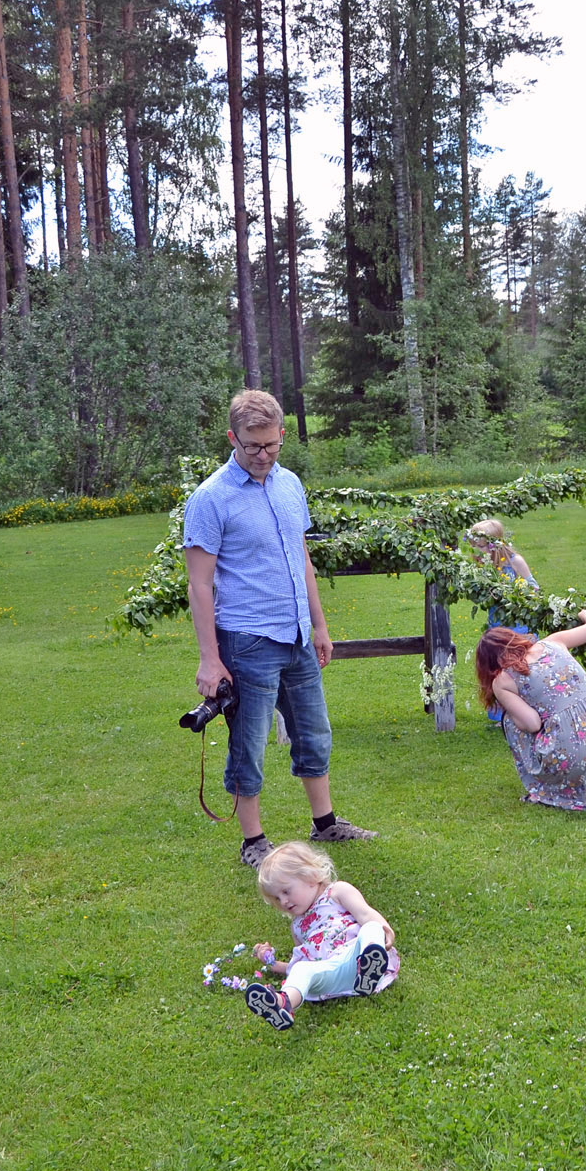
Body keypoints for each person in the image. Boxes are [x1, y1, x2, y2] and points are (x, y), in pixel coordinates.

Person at [184, 390, 376, 871]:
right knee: (248, 742)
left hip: (296, 637)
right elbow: (199, 584)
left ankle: (325, 822)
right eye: (253, 447)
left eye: (272, 445)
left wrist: (319, 624)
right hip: (247, 640)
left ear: (282, 436)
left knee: (315, 734)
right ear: (232, 438)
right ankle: (254, 841)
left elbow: (302, 559)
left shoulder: (290, 484)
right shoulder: (210, 499)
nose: (264, 455)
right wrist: (210, 659)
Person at [475, 608, 586, 812]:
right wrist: (584, 613)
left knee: (511, 719)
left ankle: (552, 785)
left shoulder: (502, 680)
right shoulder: (552, 642)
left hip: (576, 756)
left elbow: (532, 724)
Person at [242, 842, 397, 1031]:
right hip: (328, 972)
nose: (283, 901)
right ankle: (282, 1002)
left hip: (355, 956)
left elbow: (365, 914)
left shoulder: (337, 891)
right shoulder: (297, 925)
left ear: (310, 876)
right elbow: (298, 964)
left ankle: (371, 964)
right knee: (302, 969)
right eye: (276, 898)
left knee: (371, 927)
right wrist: (272, 963)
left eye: (286, 891)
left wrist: (383, 928)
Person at [465, 518, 537, 723]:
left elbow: (534, 588)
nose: (478, 552)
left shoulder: (515, 562)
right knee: (497, 667)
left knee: (521, 665)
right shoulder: (482, 566)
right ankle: (502, 714)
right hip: (497, 624)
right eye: (474, 547)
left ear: (495, 544)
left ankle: (528, 710)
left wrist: (515, 595)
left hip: (519, 624)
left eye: (481, 546)